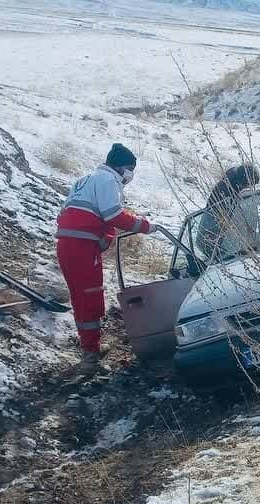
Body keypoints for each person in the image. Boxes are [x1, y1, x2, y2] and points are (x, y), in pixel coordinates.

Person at [56, 143, 153, 374]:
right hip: (82, 248)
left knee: (80, 297)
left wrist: (102, 235)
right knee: (90, 298)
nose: (131, 175)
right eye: (130, 169)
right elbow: (114, 215)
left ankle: (89, 349)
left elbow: (67, 213)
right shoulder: (109, 181)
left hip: (67, 246)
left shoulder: (84, 180)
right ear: (121, 167)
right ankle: (90, 357)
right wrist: (146, 226)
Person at [196, 164, 260, 260]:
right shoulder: (225, 193)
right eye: (249, 185)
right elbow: (226, 221)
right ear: (242, 183)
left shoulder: (236, 181)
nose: (249, 188)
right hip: (217, 240)